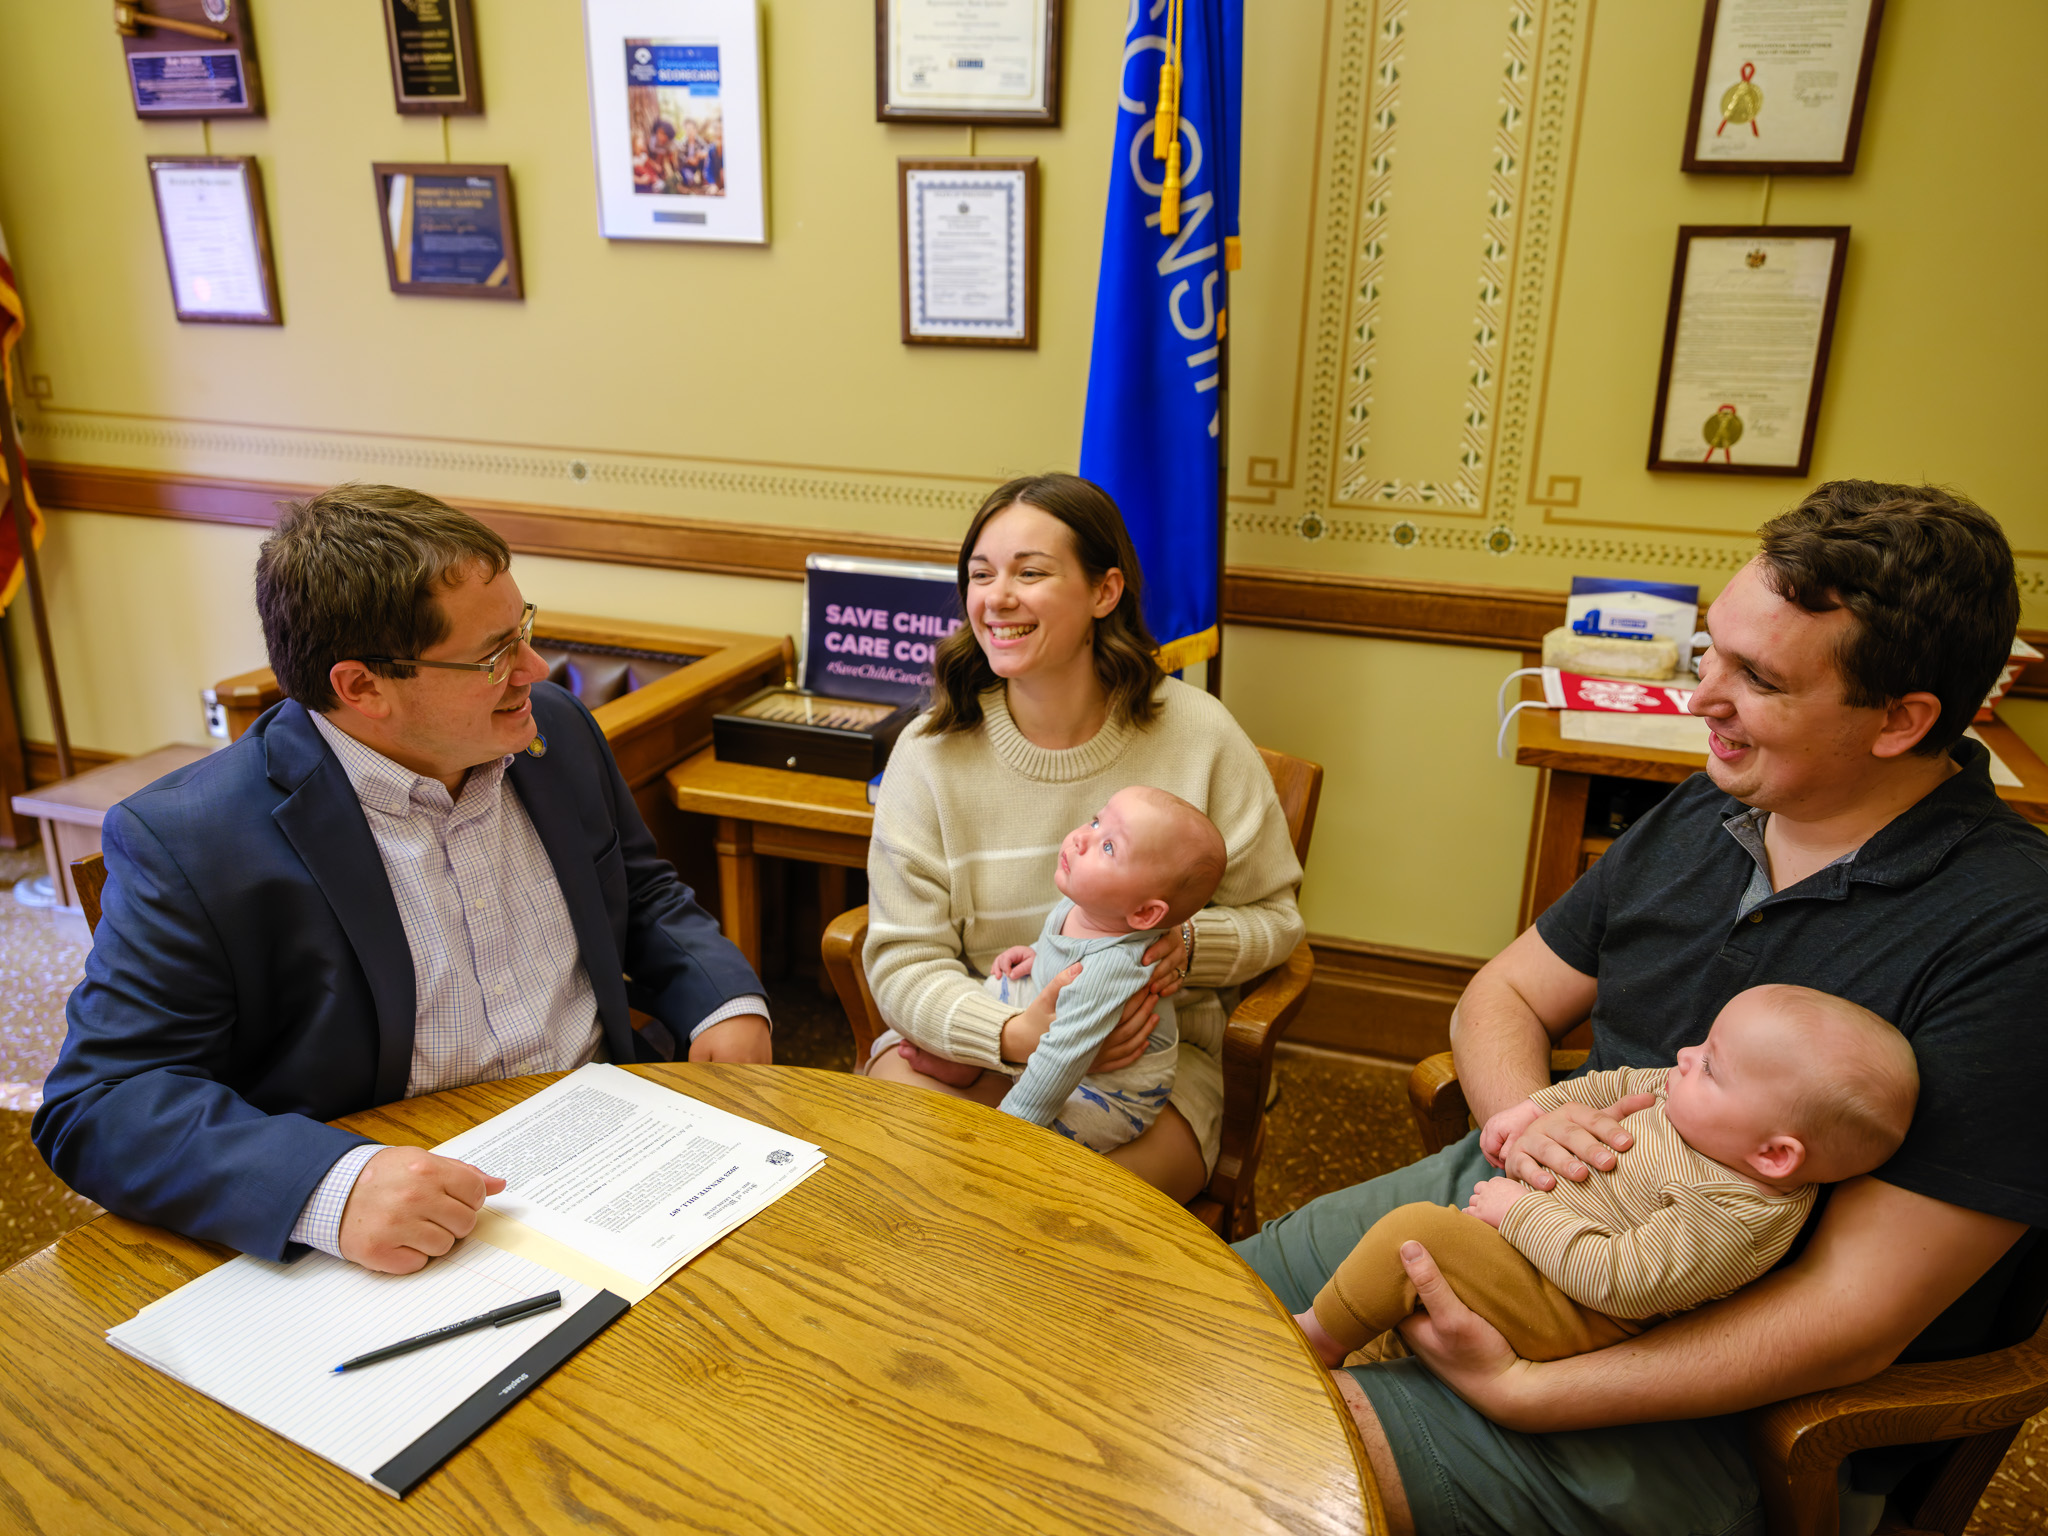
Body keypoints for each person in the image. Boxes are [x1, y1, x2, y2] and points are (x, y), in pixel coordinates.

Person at [1235, 481, 2048, 1536]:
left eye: (1754, 677)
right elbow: (1507, 994)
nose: (1701, 694)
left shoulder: (2010, 940)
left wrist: (1528, 1395)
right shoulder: (1721, 796)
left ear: (1899, 720)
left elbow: (1846, 1322)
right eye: (1711, 648)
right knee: (1174, 1310)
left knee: (1261, 1446)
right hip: (1527, 1200)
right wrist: (1520, 1120)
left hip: (1717, 1400)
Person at [33, 484, 772, 1277]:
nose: (534, 667)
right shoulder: (193, 839)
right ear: (361, 688)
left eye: (523, 629)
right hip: (411, 1211)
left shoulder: (552, 727)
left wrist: (723, 1001)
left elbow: (640, 891)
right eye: (494, 655)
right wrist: (334, 1185)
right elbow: (100, 1106)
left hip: (616, 1146)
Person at [862, 473, 1304, 1202]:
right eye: (980, 575)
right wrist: (1011, 1033)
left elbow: (1277, 922)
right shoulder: (929, 754)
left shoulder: (1199, 734)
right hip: (970, 1046)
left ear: (1105, 592)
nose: (996, 598)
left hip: (1146, 1080)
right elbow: (903, 964)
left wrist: (1181, 948)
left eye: (1030, 573)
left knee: (1049, 1222)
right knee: (902, 1199)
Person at [1297, 984, 1918, 1369]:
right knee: (1407, 1275)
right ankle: (1368, 1345)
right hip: (1529, 1251)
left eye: (1711, 1066)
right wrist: (1534, 1110)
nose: (1683, 1056)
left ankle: (1316, 1339)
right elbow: (1608, 1085)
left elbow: (1620, 1281)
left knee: (1414, 1235)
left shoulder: (1734, 1212)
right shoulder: (1682, 1100)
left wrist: (1519, 1214)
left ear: (1775, 1156)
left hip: (1572, 1315)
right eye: (1702, 1044)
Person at [921, 786, 1227, 1153]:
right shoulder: (1083, 907)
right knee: (999, 985)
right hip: (1066, 1028)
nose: (1083, 838)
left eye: (1109, 846)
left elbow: (1063, 1057)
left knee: (1053, 1143)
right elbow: (1064, 950)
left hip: (1113, 1089)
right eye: (1096, 822)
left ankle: (1016, 1112)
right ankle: (972, 1062)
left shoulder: (1112, 968)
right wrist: (1037, 955)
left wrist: (1015, 1121)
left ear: (1145, 914)